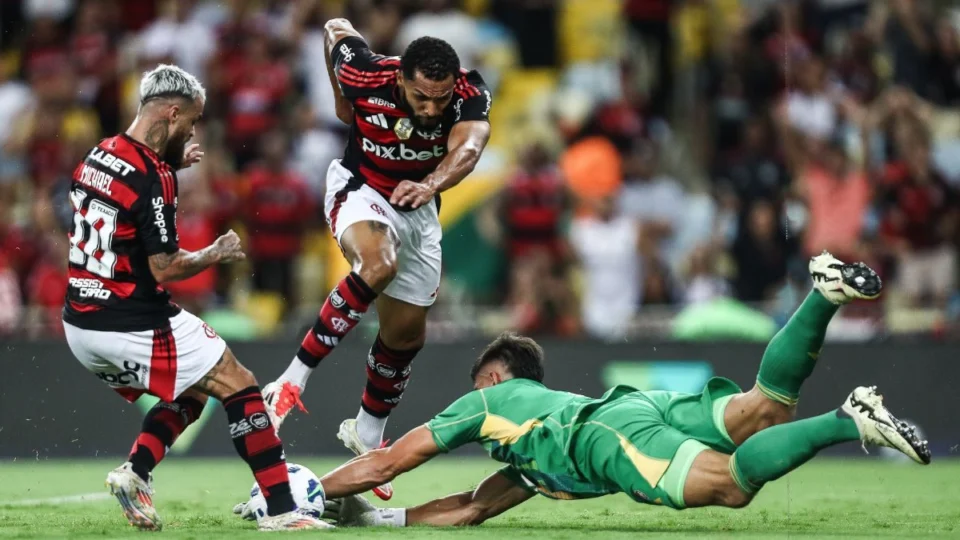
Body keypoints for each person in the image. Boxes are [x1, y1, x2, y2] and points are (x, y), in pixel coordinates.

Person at [235, 251, 930, 528]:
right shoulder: (528, 463)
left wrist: (306, 494)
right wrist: (370, 522)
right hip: (635, 411)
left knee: (730, 485)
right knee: (764, 408)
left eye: (480, 382)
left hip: (613, 435)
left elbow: (390, 461)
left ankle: (851, 419)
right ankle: (824, 295)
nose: (469, 397)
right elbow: (468, 511)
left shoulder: (489, 404)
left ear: (497, 380)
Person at [61, 64, 328, 531]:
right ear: (171, 111)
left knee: (194, 393)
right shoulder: (153, 176)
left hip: (79, 321)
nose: (192, 129)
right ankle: (285, 513)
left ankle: (135, 473)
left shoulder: (96, 155)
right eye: (191, 120)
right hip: (127, 316)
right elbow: (165, 266)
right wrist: (215, 251)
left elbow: (120, 208)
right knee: (238, 382)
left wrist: (167, 165)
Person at [262, 18, 493, 501]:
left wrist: (429, 185)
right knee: (378, 263)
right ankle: (290, 380)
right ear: (401, 79)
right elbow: (334, 27)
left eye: (440, 99)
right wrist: (340, 97)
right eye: (421, 97)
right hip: (360, 189)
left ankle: (367, 433)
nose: (432, 109)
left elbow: (469, 149)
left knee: (405, 334)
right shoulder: (364, 71)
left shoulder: (470, 92)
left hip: (420, 205)